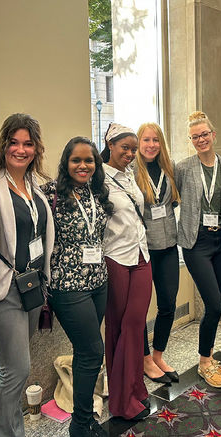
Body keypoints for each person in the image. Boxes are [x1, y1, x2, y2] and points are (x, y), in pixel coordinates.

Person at [0, 113, 54, 437]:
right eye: (14, 142)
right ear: (4, 144)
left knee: (15, 372)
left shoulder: (33, 184)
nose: (20, 149)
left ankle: (15, 431)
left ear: (36, 148)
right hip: (4, 288)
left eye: (27, 143)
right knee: (16, 370)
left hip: (32, 286)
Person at [41, 137, 113, 437]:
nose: (83, 166)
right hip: (68, 285)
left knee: (85, 353)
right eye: (76, 160)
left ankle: (85, 420)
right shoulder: (51, 193)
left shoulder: (97, 193)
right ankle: (80, 424)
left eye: (89, 161)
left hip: (98, 281)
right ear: (66, 163)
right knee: (93, 351)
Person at [175, 111, 221, 389]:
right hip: (196, 244)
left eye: (205, 134)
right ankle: (205, 362)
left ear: (213, 136)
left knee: (214, 308)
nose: (201, 139)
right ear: (191, 140)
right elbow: (167, 198)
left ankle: (209, 357)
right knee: (215, 305)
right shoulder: (183, 169)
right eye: (195, 136)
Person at [101, 123, 152, 421]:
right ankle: (121, 401)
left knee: (135, 323)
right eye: (125, 148)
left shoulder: (131, 176)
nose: (131, 154)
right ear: (110, 145)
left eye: (134, 149)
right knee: (118, 328)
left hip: (141, 255)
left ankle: (135, 386)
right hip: (115, 258)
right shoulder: (99, 178)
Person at [133, 123, 181, 385]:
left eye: (155, 140)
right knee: (140, 308)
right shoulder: (131, 172)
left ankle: (158, 354)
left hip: (169, 246)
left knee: (168, 304)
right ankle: (144, 359)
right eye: (146, 140)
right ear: (138, 143)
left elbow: (174, 202)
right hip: (142, 250)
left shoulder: (169, 169)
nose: (151, 145)